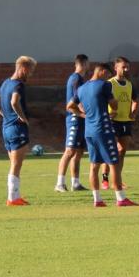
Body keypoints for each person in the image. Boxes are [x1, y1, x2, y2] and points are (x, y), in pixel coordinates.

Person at [69, 62, 136, 208]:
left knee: (94, 165)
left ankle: (97, 200)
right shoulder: (104, 85)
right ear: (102, 71)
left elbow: (70, 106)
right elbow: (114, 104)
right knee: (114, 163)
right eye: (107, 74)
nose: (108, 77)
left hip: (89, 131)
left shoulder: (82, 88)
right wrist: (113, 107)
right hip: (103, 129)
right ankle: (120, 198)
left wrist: (83, 114)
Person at [0, 55, 37, 206]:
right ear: (23, 68)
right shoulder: (18, 85)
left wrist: (5, 115)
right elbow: (14, 101)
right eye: (30, 71)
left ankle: (15, 196)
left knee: (14, 163)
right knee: (16, 165)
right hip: (17, 129)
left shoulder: (5, 83)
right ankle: (12, 198)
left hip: (6, 128)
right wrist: (22, 118)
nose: (31, 74)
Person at [103, 56, 139, 190]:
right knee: (112, 150)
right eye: (123, 67)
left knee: (122, 151)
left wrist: (133, 112)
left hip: (126, 121)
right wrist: (106, 114)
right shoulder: (109, 83)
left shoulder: (129, 84)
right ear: (115, 67)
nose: (126, 69)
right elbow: (102, 101)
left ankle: (118, 180)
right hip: (112, 121)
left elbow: (135, 100)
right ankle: (105, 179)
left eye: (127, 67)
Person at [55, 54, 89, 193]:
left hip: (81, 119)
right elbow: (77, 100)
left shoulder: (80, 79)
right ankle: (59, 183)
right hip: (74, 118)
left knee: (79, 151)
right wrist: (86, 112)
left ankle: (75, 182)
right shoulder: (76, 78)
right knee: (69, 151)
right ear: (85, 63)